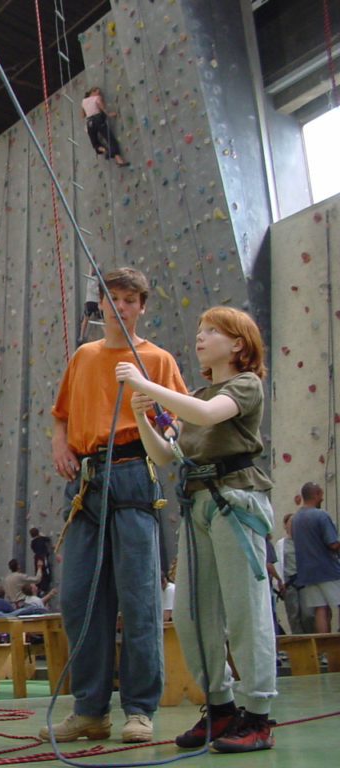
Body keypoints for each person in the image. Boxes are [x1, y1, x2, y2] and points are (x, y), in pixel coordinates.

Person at [117, 305, 277, 752]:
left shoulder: (244, 385)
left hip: (235, 500)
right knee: (191, 614)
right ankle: (220, 707)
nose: (200, 338)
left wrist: (145, 384)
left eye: (211, 331)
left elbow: (207, 416)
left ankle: (258, 715)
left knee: (244, 611)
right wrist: (143, 415)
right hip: (199, 505)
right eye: (200, 330)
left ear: (238, 344)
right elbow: (165, 453)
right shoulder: (199, 394)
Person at [44, 266, 187, 745]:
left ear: (142, 307)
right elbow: (61, 414)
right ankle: (89, 711)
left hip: (133, 474)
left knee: (140, 598)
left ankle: (140, 709)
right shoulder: (84, 357)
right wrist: (60, 446)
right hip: (85, 480)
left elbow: (176, 422)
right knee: (79, 598)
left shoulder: (157, 360)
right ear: (101, 304)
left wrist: (154, 416)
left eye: (130, 300)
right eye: (114, 299)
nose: (121, 307)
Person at [291, 482, 340, 634]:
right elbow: (333, 543)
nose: (322, 498)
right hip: (327, 569)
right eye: (321, 495)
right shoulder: (321, 515)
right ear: (316, 494)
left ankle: (322, 645)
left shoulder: (295, 519)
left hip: (307, 572)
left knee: (320, 609)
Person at [276, 511, 314, 633]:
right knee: (293, 614)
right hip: (289, 582)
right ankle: (299, 639)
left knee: (308, 614)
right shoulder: (281, 544)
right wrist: (279, 582)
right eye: (290, 522)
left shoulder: (304, 541)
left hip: (304, 581)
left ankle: (310, 636)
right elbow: (278, 563)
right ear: (285, 525)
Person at [81, 86, 129, 166]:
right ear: (93, 92)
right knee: (110, 139)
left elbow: (82, 115)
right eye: (98, 92)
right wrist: (108, 113)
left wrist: (88, 109)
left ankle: (104, 150)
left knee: (95, 143)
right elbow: (101, 105)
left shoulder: (83, 101)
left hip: (89, 123)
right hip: (98, 119)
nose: (99, 94)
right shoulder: (96, 98)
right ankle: (119, 160)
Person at [78, 267, 103, 345]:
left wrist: (91, 263)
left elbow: (90, 270)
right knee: (101, 320)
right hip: (96, 303)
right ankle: (107, 335)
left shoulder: (89, 279)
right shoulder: (100, 282)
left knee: (85, 319)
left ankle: (81, 337)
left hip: (89, 302)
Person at [30, 527, 54, 594]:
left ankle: (38, 587)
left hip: (37, 559)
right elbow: (48, 539)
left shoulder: (32, 543)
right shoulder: (41, 539)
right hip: (43, 557)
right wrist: (42, 535)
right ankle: (44, 589)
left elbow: (33, 549)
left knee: (38, 572)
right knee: (46, 572)